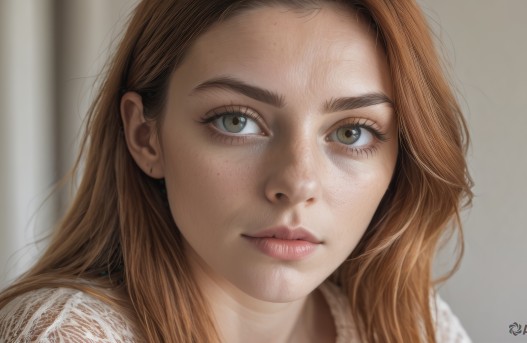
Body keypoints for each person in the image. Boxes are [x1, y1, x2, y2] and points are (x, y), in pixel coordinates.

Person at [0, 0, 473, 342]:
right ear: (145, 137)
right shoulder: (64, 335)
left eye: (352, 132)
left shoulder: (413, 326)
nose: (297, 183)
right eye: (237, 121)